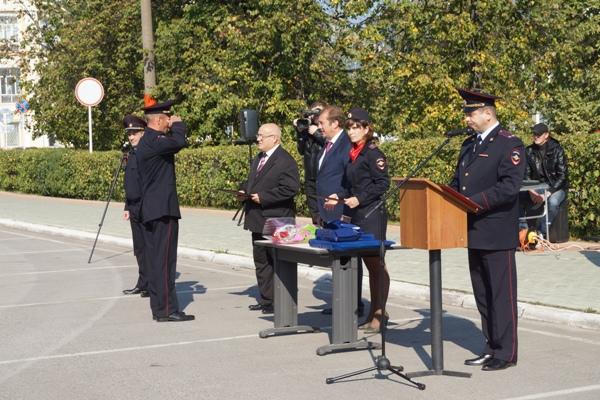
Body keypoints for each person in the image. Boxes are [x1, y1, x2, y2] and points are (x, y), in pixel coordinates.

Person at [450, 88, 525, 371]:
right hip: (473, 230)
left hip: (496, 231)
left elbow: (509, 187)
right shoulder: (469, 145)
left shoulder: (509, 144)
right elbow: (458, 182)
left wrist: (474, 203)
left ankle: (505, 353)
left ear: (487, 113)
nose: (467, 118)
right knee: (482, 294)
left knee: (501, 296)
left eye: (471, 113)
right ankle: (491, 346)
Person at [325, 108, 390, 333]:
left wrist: (359, 198)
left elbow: (383, 184)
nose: (351, 132)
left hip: (372, 214)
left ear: (366, 129)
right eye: (349, 128)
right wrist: (338, 196)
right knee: (367, 264)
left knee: (376, 266)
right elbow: (349, 184)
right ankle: (373, 313)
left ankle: (379, 313)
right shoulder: (353, 153)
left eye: (356, 128)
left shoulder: (373, 153)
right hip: (355, 214)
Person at [135, 100, 194, 322]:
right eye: (168, 118)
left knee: (156, 261)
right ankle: (167, 310)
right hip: (162, 210)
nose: (170, 122)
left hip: (152, 209)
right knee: (165, 262)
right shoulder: (154, 140)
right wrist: (179, 125)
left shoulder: (147, 140)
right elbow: (179, 142)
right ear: (159, 120)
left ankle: (160, 308)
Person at [238, 123, 300, 314]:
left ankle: (282, 301)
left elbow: (290, 188)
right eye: (258, 135)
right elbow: (253, 181)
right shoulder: (259, 158)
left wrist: (264, 197)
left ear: (274, 138)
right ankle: (267, 300)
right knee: (262, 261)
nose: (258, 139)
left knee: (279, 262)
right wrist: (243, 190)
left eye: (262, 136)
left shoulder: (285, 160)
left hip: (277, 219)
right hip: (257, 218)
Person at [316, 105, 365, 317]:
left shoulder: (346, 144)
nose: (319, 127)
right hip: (327, 209)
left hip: (341, 209)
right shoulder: (327, 145)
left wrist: (340, 196)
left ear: (335, 123)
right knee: (336, 259)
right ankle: (341, 301)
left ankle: (353, 304)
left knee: (349, 260)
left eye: (322, 123)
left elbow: (350, 177)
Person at [520, 123, 569, 238]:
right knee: (516, 197)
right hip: (537, 187)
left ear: (546, 135)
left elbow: (563, 176)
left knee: (553, 202)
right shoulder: (529, 151)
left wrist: (548, 193)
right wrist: (531, 192)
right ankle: (523, 232)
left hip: (556, 187)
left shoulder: (557, 150)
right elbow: (526, 175)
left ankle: (541, 233)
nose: (535, 136)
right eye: (534, 134)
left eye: (538, 134)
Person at [121, 115, 149, 298]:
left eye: (134, 133)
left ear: (142, 133)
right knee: (139, 248)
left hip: (145, 206)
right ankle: (142, 282)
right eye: (129, 134)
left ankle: (150, 283)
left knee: (148, 247)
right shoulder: (131, 154)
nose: (131, 137)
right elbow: (130, 183)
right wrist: (126, 206)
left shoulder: (146, 154)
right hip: (133, 207)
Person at [294, 101, 326, 224]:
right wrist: (300, 131)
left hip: (323, 176)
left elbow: (331, 145)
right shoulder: (307, 128)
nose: (316, 115)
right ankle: (317, 228)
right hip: (310, 177)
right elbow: (301, 150)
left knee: (325, 210)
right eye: (313, 112)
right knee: (314, 210)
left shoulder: (326, 130)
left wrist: (317, 133)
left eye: (318, 112)